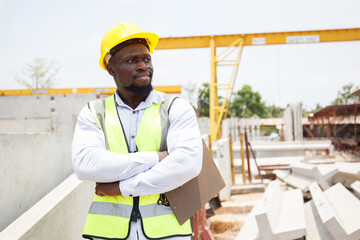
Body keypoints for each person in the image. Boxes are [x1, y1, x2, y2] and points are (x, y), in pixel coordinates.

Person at [72, 22, 203, 240]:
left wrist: (123, 187)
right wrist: (156, 158)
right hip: (109, 233)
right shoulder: (94, 113)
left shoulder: (175, 107)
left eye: (146, 59)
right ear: (110, 68)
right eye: (132, 60)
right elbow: (86, 165)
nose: (143, 66)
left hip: (167, 233)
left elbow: (186, 164)